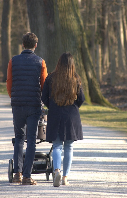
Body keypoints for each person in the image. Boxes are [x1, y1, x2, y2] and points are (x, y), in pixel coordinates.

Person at [6, 32, 48, 185]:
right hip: (34, 105)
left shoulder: (13, 61)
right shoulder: (40, 62)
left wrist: (14, 97)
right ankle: (27, 176)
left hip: (17, 105)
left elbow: (9, 83)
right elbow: (44, 85)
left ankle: (17, 173)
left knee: (18, 138)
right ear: (35, 45)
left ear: (22, 44)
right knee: (31, 140)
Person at [41, 52, 85, 187]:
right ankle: (65, 176)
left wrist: (52, 106)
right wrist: (73, 106)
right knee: (69, 147)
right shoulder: (76, 79)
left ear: (59, 64)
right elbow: (81, 99)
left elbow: (44, 97)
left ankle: (56, 170)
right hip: (71, 115)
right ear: (72, 65)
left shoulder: (51, 78)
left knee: (57, 146)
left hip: (55, 114)